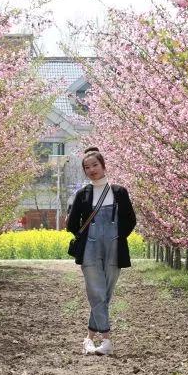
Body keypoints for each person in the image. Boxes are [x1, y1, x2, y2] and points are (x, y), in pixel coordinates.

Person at [65, 146, 136, 356]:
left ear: (104, 166)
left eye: (95, 165)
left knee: (104, 294)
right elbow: (72, 224)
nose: (91, 170)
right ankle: (106, 340)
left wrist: (116, 236)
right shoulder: (83, 194)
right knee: (96, 292)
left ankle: (88, 339)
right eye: (87, 167)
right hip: (90, 249)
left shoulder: (119, 192)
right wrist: (88, 236)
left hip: (114, 249)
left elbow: (130, 220)